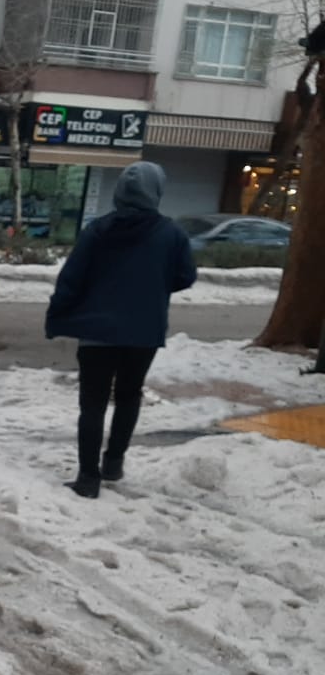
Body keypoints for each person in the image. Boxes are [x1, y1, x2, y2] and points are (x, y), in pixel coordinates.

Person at [45, 161, 197, 499]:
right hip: (144, 331)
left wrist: (57, 315)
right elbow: (186, 276)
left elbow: (72, 278)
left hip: (96, 332)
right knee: (129, 396)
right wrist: (154, 284)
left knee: (93, 404)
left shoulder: (97, 230)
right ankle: (113, 462)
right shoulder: (171, 234)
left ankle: (88, 478)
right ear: (156, 191)